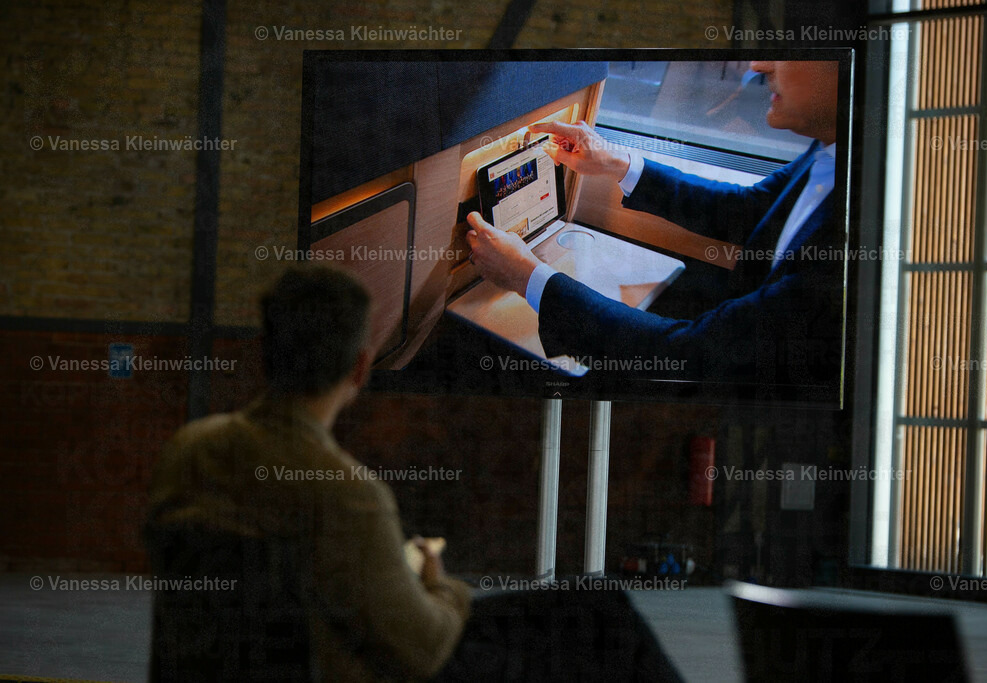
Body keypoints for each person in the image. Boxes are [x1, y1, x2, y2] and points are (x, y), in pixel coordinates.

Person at [144, 266, 471, 681]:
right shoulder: (349, 497)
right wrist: (442, 585)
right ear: (360, 367)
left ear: (263, 350)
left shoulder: (184, 453)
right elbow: (422, 649)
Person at [466, 61, 845, 385]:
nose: (758, 66)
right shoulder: (830, 149)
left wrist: (526, 276)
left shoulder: (844, 247)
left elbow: (686, 354)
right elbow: (749, 209)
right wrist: (617, 162)